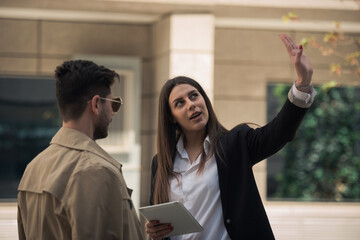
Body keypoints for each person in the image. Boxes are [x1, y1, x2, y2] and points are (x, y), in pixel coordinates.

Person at [145, 33, 316, 240]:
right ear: (171, 118)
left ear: (204, 100)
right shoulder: (161, 163)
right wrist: (155, 232)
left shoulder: (235, 144)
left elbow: (280, 132)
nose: (190, 104)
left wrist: (302, 83)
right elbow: (162, 226)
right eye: (179, 103)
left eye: (193, 95)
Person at [17, 60, 143, 240]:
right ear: (96, 104)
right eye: (114, 103)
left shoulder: (32, 168)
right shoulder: (96, 171)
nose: (114, 111)